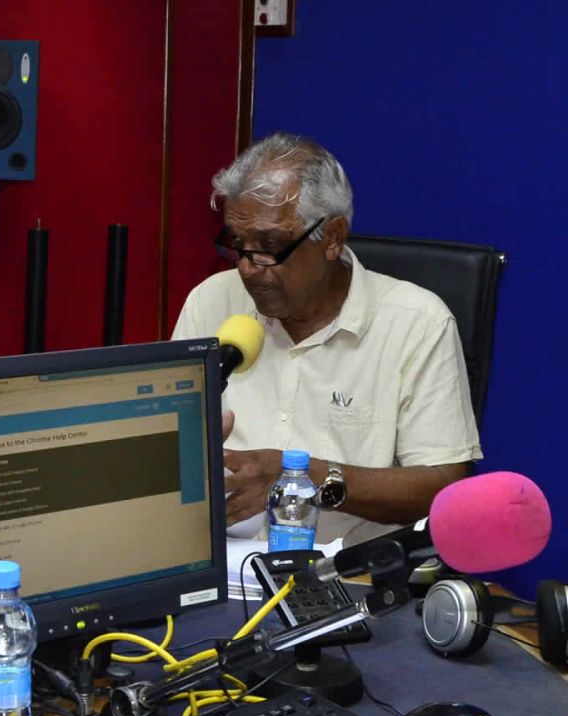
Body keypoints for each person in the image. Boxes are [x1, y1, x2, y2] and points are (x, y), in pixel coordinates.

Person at [172, 133, 481, 546]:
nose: (247, 268)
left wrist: (307, 478)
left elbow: (443, 486)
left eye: (269, 246)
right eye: (237, 244)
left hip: (346, 570)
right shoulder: (212, 301)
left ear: (332, 237)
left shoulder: (418, 324)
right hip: (216, 561)